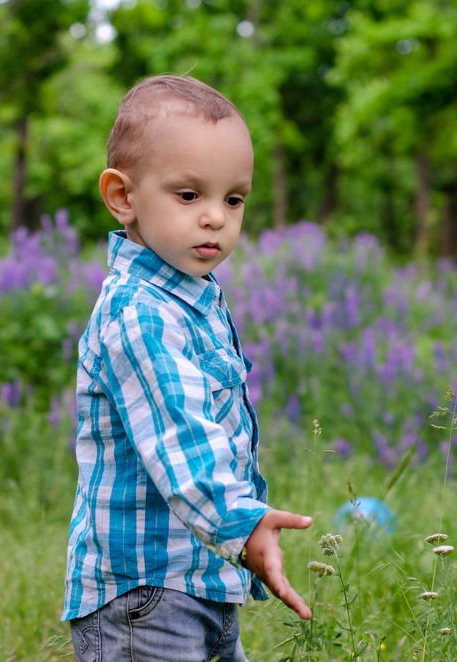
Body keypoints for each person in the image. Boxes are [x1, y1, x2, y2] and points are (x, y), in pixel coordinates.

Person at [62, 74, 313, 661]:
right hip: (143, 598)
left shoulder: (193, 298)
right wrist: (243, 523)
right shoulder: (140, 314)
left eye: (233, 199)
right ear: (123, 197)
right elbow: (182, 437)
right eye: (188, 195)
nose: (216, 218)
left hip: (199, 580)